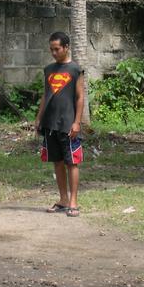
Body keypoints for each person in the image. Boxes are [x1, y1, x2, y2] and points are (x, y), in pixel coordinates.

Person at [34, 31, 84, 217]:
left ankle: (73, 202)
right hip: (50, 123)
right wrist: (39, 118)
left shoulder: (75, 70)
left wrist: (77, 122)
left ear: (66, 47)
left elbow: (80, 98)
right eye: (51, 50)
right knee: (57, 162)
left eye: (57, 49)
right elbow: (45, 95)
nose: (54, 53)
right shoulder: (48, 70)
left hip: (68, 124)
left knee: (72, 162)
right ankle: (63, 199)